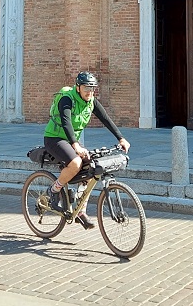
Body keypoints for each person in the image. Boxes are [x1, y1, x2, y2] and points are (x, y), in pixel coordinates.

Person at [43, 71, 130, 229]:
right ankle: (54, 189)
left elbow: (105, 118)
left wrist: (121, 138)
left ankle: (80, 210)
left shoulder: (91, 101)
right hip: (55, 138)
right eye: (86, 88)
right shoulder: (67, 99)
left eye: (92, 88)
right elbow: (66, 122)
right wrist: (75, 144)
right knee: (75, 163)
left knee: (92, 169)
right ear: (78, 88)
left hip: (71, 140)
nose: (90, 92)